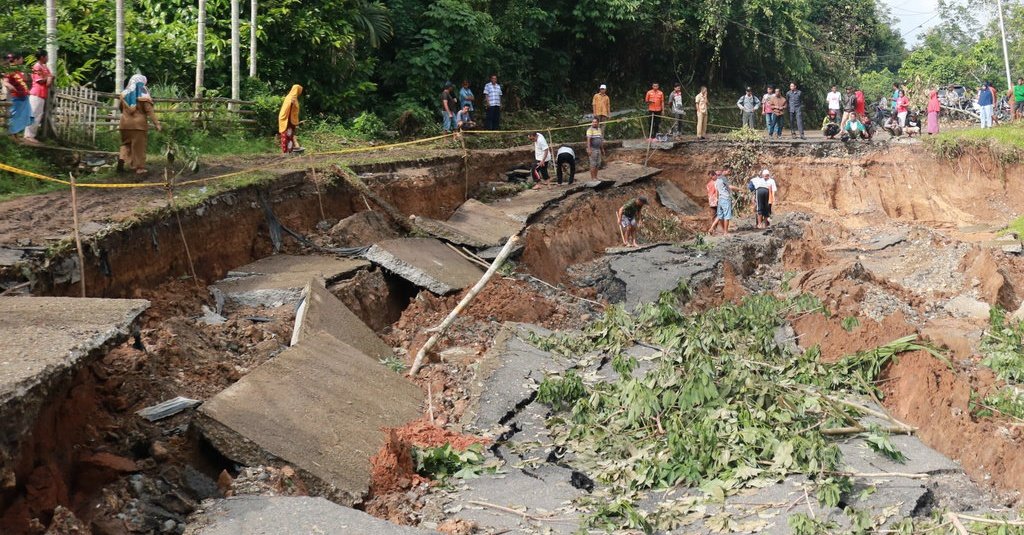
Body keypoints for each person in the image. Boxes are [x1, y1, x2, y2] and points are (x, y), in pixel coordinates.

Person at [117, 74, 162, 176]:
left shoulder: (124, 94)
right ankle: (139, 168)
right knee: (139, 147)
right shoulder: (143, 95)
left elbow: (121, 108)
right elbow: (149, 111)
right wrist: (157, 124)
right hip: (138, 126)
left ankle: (122, 158)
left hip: (124, 124)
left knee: (126, 143)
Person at [24, 50, 52, 143]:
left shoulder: (44, 67)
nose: (48, 58)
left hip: (42, 94)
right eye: (46, 56)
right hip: (36, 93)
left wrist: (49, 78)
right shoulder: (37, 66)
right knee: (33, 114)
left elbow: (49, 78)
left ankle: (32, 135)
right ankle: (28, 135)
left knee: (38, 116)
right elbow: (40, 80)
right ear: (42, 57)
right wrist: (48, 78)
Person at [3, 53, 31, 139]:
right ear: (16, 60)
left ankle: (15, 134)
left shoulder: (18, 70)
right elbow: (5, 81)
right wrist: (9, 86)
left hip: (23, 96)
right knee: (15, 116)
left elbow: (24, 80)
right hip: (16, 96)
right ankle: (11, 135)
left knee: (21, 116)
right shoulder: (9, 70)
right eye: (21, 59)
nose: (22, 60)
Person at [708, 168, 741, 235]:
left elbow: (717, 191)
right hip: (725, 199)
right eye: (728, 171)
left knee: (719, 216)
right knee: (726, 216)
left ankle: (711, 228)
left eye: (711, 177)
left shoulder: (716, 181)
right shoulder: (722, 178)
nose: (712, 179)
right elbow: (730, 187)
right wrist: (740, 189)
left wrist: (718, 199)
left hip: (720, 199)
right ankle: (725, 232)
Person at [278, 84, 303, 153]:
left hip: (290, 120)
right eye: (299, 90)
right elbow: (288, 109)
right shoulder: (291, 98)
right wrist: (292, 103)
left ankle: (289, 151)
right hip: (286, 120)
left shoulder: (293, 98)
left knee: (290, 136)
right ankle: (285, 151)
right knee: (286, 136)